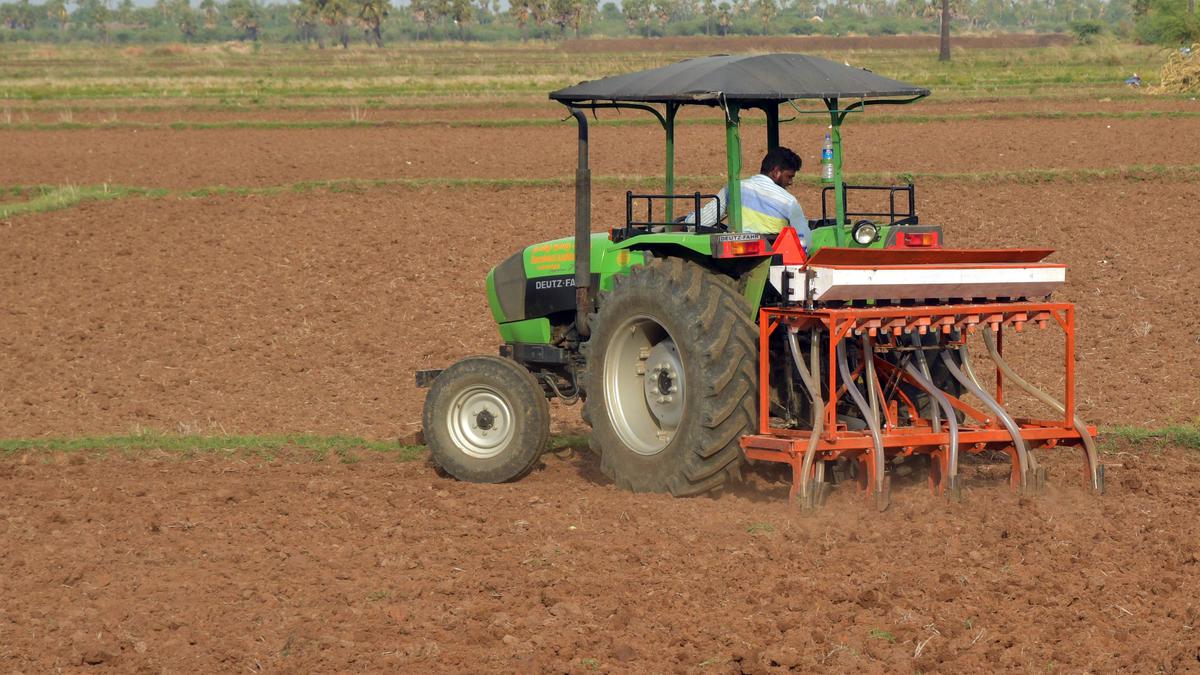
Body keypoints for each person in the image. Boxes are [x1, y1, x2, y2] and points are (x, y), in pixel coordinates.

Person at [687, 146, 809, 244]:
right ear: (776, 172)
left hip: (732, 260)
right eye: (789, 176)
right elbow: (804, 241)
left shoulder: (734, 189)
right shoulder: (789, 201)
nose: (790, 182)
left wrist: (687, 221)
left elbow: (700, 222)